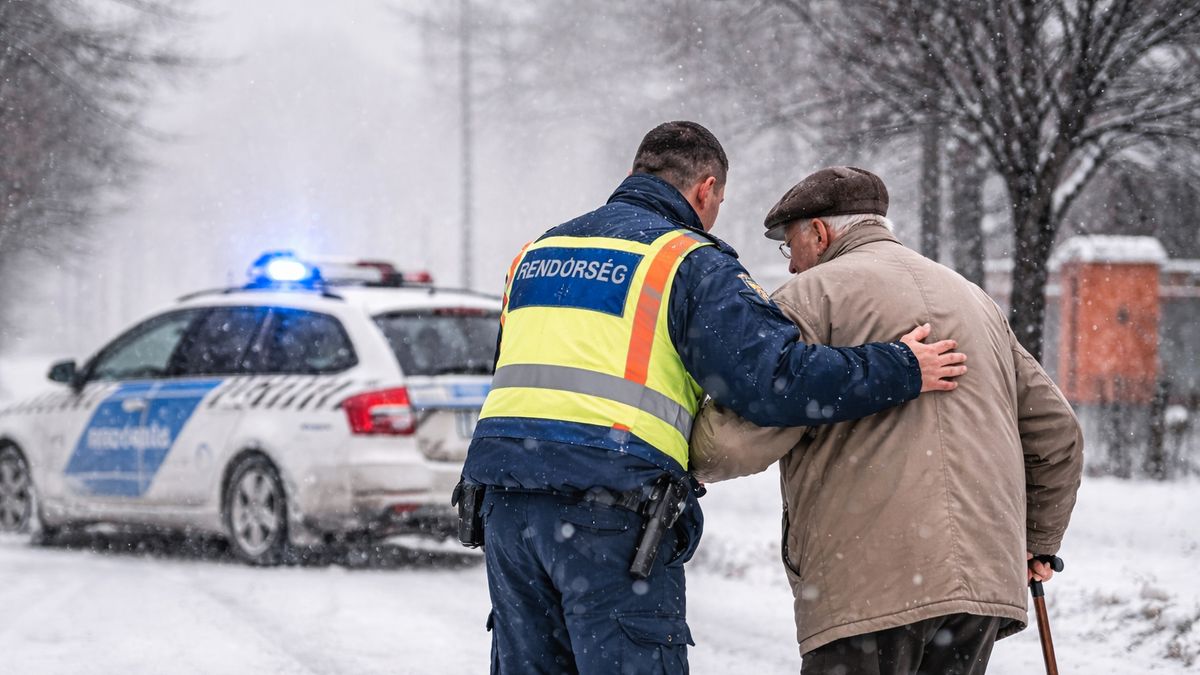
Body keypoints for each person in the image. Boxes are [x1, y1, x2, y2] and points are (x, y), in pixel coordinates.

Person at [458, 124, 967, 674]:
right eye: (719, 200)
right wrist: (900, 367)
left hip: (505, 510)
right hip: (608, 516)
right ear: (705, 189)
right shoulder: (686, 261)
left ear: (637, 173)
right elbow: (775, 381)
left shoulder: (537, 253)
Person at [690, 166, 1085, 675]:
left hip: (867, 586)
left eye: (791, 248)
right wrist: (1039, 540)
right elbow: (1057, 433)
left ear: (819, 231)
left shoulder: (810, 299)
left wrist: (668, 449)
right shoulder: (974, 301)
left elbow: (732, 442)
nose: (791, 268)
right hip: (979, 588)